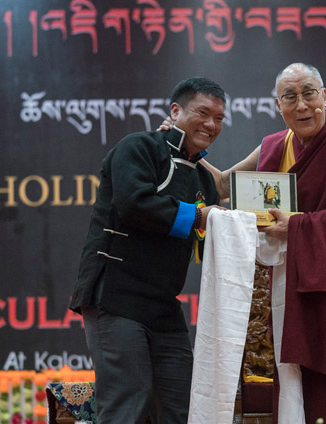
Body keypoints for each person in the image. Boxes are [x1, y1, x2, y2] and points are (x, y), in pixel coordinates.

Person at [165, 63, 326, 423]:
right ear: (278, 105)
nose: (302, 105)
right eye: (290, 96)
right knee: (307, 390)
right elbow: (223, 185)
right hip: (299, 292)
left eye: (309, 93)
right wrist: (177, 143)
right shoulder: (272, 147)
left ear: (325, 97)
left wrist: (301, 227)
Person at [69, 77, 226, 423]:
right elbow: (134, 204)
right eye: (203, 113)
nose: (211, 124)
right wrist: (199, 215)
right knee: (128, 406)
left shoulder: (203, 181)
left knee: (181, 410)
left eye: (219, 118)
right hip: (116, 299)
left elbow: (208, 241)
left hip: (165, 309)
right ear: (175, 111)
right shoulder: (138, 147)